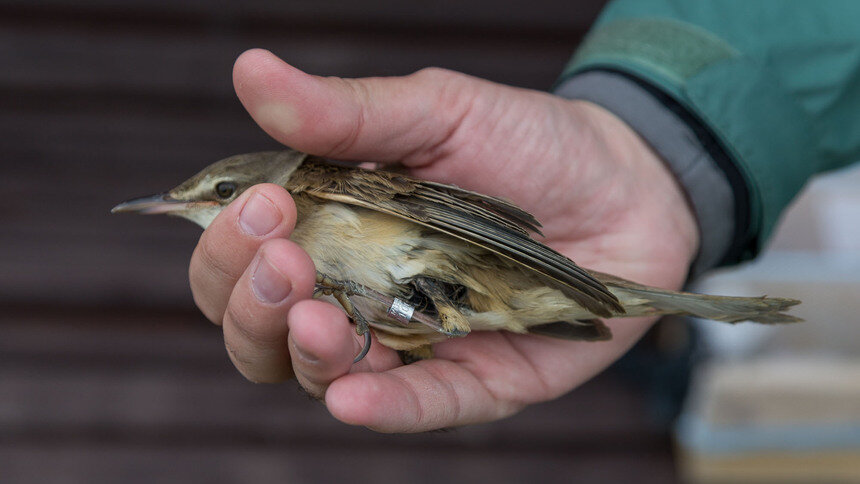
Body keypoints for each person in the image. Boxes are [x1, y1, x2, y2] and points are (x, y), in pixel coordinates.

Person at [188, 1, 860, 432]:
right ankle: (407, 316)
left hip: (477, 266)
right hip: (464, 303)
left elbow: (442, 213)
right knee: (346, 330)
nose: (198, 210)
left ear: (253, 185)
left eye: (216, 193)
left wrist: (564, 264)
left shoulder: (318, 183)